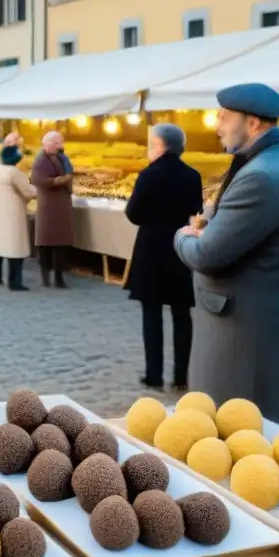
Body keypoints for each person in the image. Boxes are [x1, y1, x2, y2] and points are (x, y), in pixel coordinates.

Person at [175, 82, 279, 429]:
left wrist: (183, 235)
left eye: (224, 117)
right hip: (264, 329)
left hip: (249, 340)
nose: (216, 124)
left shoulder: (262, 176)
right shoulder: (277, 164)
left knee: (245, 441)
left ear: (252, 123)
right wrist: (211, 217)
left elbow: (207, 254)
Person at [124, 124, 203, 390]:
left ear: (160, 145)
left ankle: (154, 374)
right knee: (182, 314)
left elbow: (133, 213)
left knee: (152, 313)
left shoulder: (148, 175)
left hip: (152, 248)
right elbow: (196, 209)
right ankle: (182, 376)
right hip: (180, 246)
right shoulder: (192, 175)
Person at [0, 137, 36, 291]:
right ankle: (14, 281)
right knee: (15, 247)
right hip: (13, 213)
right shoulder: (14, 173)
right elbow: (28, 191)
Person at [31, 131, 75, 288]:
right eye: (57, 143)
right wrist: (60, 180)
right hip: (48, 207)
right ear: (47, 144)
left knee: (59, 244)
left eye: (60, 143)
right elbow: (39, 180)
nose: (60, 146)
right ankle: (46, 277)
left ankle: (58, 277)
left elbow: (69, 173)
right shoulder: (40, 161)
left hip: (61, 206)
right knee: (46, 244)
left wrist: (67, 179)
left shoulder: (62, 158)